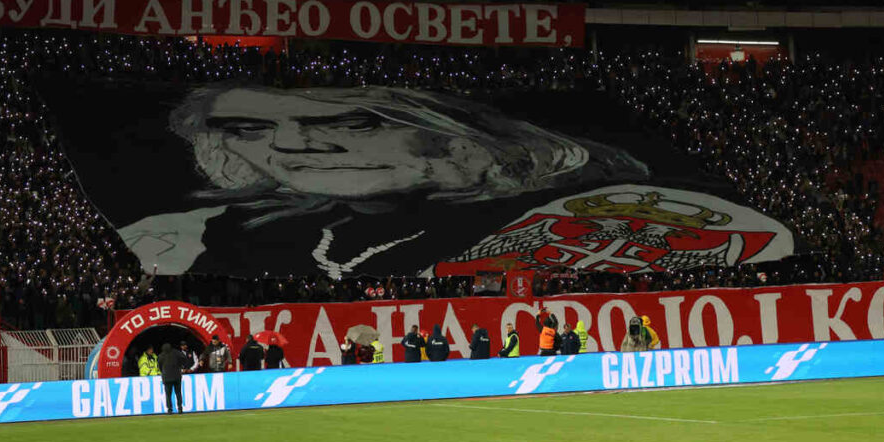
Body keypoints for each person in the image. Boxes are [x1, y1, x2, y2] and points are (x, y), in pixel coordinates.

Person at [121, 86, 647, 277]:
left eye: (354, 122)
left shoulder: (597, 214)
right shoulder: (188, 237)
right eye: (249, 130)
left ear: (451, 136)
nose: (290, 146)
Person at [157, 342, 183, 414]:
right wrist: (180, 366)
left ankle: (169, 409)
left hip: (166, 377)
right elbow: (183, 358)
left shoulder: (161, 356)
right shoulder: (176, 353)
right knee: (178, 393)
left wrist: (164, 372)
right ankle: (180, 408)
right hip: (177, 376)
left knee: (168, 395)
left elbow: (159, 366)